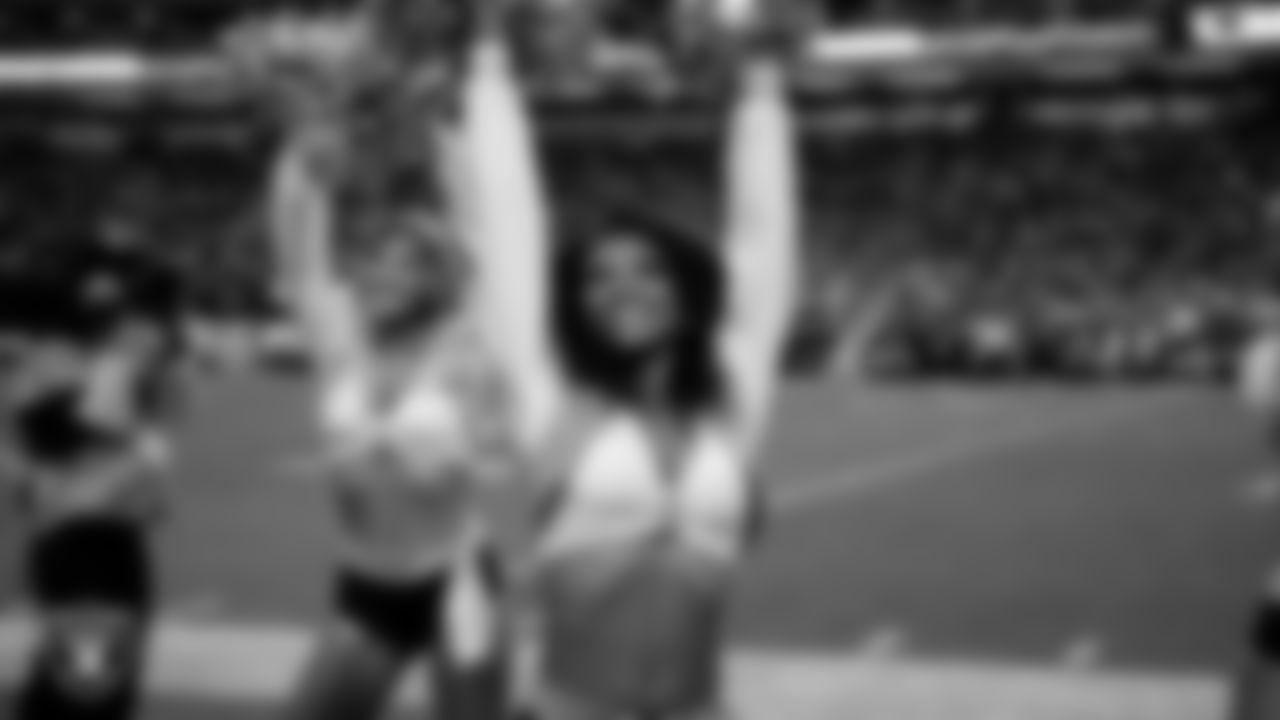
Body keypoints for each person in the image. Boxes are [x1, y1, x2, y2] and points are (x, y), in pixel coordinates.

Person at [457, 1, 800, 717]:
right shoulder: (550, 398)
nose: (622, 292)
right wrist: (489, 62)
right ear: (575, 301)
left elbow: (762, 242)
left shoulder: (732, 399)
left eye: (648, 272)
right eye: (599, 278)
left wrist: (763, 83)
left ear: (686, 290)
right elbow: (507, 222)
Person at [251, 6, 512, 720]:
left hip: (458, 581)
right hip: (366, 586)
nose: (382, 278)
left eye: (405, 267)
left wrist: (427, 123)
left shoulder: (465, 337)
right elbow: (297, 244)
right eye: (371, 263)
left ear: (436, 278)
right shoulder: (339, 335)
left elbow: (478, 222)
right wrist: (310, 146)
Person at [6, 237, 183, 720]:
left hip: (98, 540)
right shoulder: (56, 361)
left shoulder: (82, 356)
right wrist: (133, 352)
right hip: (82, 546)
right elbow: (92, 423)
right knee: (89, 689)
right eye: (103, 281)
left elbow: (152, 427)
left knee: (93, 685)